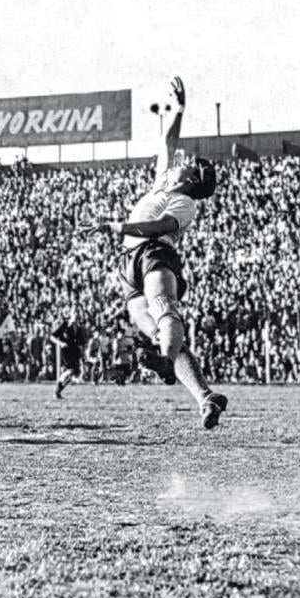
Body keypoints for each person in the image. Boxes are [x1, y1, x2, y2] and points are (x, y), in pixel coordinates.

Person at [82, 76, 228, 429]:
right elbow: (168, 140)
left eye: (189, 165)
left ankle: (166, 363)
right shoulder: (165, 179)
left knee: (165, 310)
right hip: (128, 262)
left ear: (192, 180)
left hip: (153, 253)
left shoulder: (185, 202)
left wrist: (118, 227)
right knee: (155, 331)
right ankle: (205, 397)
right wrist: (179, 109)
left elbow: (156, 228)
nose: (183, 161)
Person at [50, 307, 87, 399]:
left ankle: (57, 392)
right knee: (70, 370)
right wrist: (60, 343)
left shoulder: (78, 328)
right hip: (66, 351)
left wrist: (82, 354)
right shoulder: (64, 325)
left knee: (74, 373)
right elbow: (52, 337)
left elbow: (81, 343)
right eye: (74, 313)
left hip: (75, 351)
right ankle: (57, 390)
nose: (76, 315)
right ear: (70, 314)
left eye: (77, 313)